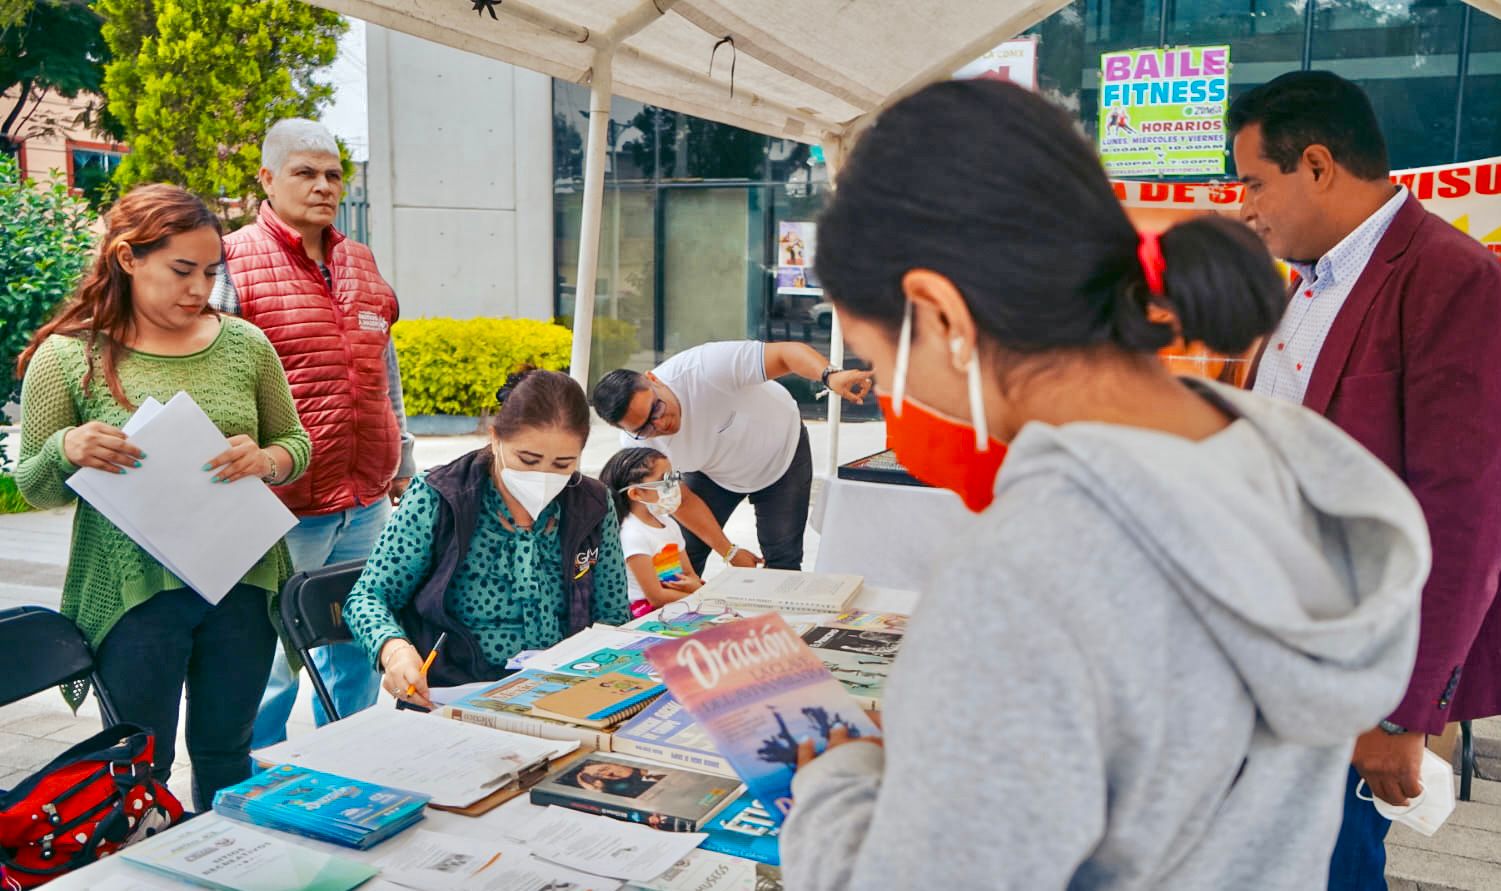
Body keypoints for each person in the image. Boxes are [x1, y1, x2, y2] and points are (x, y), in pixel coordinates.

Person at [780, 78, 1430, 890]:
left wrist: (839, 785)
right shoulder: (1293, 457)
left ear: (939, 314)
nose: (885, 387)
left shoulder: (1027, 568)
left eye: (877, 360)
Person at [1229, 71, 1501, 890]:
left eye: (1252, 182)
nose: (1244, 206)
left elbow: (1462, 515)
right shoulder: (1306, 284)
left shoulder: (1449, 277)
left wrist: (1402, 713)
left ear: (1315, 165)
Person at [14, 185, 311, 810]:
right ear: (127, 258)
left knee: (228, 752)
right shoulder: (70, 357)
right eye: (182, 270)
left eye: (210, 271)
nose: (199, 289)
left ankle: (227, 866)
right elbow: (33, 486)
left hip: (242, 579)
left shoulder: (244, 344)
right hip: (134, 595)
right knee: (135, 764)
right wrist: (67, 447)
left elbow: (294, 441)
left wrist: (269, 458)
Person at [211, 118, 416, 748]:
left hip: (364, 500)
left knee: (355, 641)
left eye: (332, 174)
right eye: (305, 172)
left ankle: (341, 763)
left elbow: (384, 367)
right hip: (278, 506)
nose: (322, 186)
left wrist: (402, 462)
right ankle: (248, 781)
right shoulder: (233, 260)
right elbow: (212, 376)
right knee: (272, 660)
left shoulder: (360, 260)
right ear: (267, 179)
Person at [343, 369, 631, 709]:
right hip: (454, 695)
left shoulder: (592, 504)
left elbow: (613, 615)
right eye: (528, 459)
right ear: (495, 438)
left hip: (561, 696)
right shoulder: (440, 497)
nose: (543, 476)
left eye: (563, 464)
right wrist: (394, 651)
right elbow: (367, 597)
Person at [591, 343, 873, 574]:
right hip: (712, 473)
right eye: (644, 427)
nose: (660, 424)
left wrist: (829, 376)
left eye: (657, 408)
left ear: (653, 379)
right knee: (679, 557)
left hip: (782, 454)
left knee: (782, 559)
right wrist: (729, 550)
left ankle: (781, 635)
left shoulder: (704, 368)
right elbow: (680, 500)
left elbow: (785, 354)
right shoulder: (636, 445)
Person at [599, 447, 704, 617]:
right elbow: (656, 597)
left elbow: (689, 574)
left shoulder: (668, 524)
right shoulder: (631, 534)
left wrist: (697, 590)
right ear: (636, 493)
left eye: (674, 477)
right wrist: (700, 596)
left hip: (680, 601)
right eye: (665, 480)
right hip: (647, 612)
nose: (674, 486)